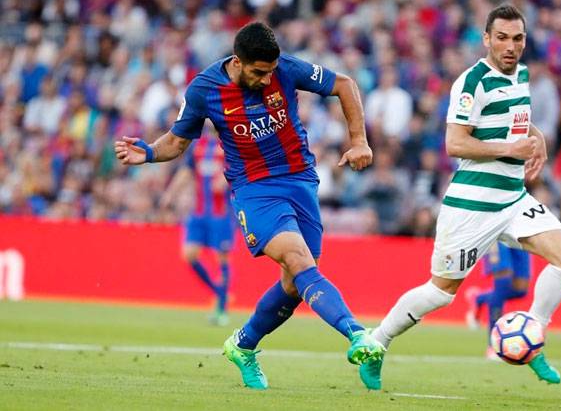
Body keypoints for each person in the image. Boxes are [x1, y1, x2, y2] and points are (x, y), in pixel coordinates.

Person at [114, 22, 385, 390]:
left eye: (271, 71)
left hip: (301, 180)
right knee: (299, 261)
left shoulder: (285, 69)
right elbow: (177, 143)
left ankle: (242, 345)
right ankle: (358, 335)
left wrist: (358, 140)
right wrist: (146, 152)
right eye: (259, 72)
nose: (266, 79)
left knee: (295, 283)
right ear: (238, 63)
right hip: (255, 189)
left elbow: (344, 84)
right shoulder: (205, 89)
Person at [360, 4, 561, 390]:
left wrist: (538, 138)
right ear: (486, 39)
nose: (510, 46)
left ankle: (532, 335)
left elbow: (517, 116)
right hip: (471, 206)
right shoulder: (472, 82)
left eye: (517, 38)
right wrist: (509, 151)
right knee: (440, 293)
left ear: (525, 41)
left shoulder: (523, 76)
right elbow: (455, 142)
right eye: (501, 38)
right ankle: (376, 343)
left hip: (513, 200)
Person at [160, 129, 234, 326]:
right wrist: (171, 193)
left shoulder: (230, 145)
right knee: (189, 254)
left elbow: (240, 169)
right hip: (199, 212)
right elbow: (186, 172)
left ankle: (221, 310)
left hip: (221, 214)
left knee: (222, 258)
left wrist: (226, 178)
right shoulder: (199, 146)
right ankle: (219, 292)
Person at [464, 242, 531, 359]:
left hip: (522, 232)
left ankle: (478, 299)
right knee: (502, 284)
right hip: (499, 232)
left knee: (520, 290)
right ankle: (494, 346)